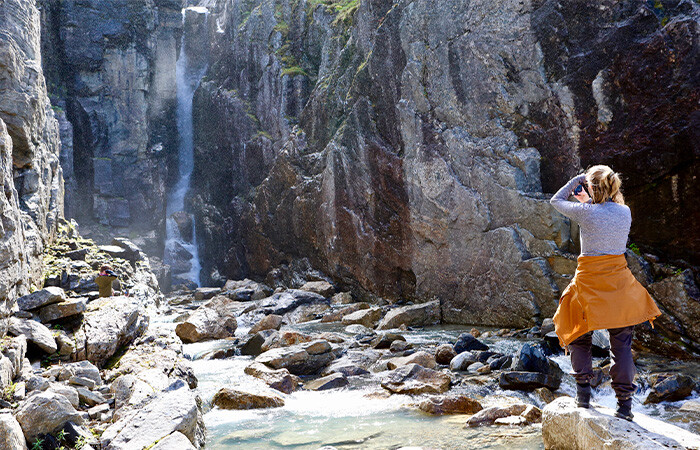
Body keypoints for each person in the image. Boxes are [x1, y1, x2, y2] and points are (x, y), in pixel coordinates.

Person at [550, 164, 661, 421]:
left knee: (578, 333)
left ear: (590, 186)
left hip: (588, 285)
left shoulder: (586, 213)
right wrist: (591, 197)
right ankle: (624, 407)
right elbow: (606, 217)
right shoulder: (625, 212)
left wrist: (577, 180)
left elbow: (556, 200)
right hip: (618, 285)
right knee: (621, 345)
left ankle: (583, 397)